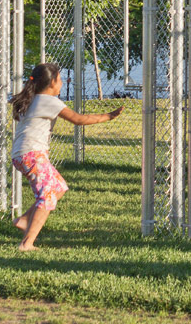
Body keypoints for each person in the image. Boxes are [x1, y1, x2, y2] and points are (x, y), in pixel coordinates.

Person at [10, 61, 123, 250]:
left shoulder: (32, 98)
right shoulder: (48, 101)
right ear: (52, 82)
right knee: (47, 195)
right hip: (31, 154)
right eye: (60, 80)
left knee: (59, 187)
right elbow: (79, 120)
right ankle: (27, 243)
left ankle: (24, 220)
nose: (62, 83)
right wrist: (108, 116)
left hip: (24, 154)